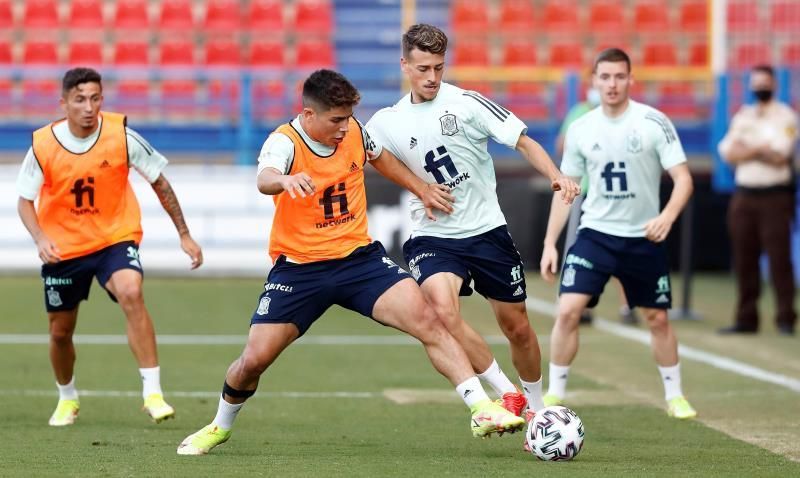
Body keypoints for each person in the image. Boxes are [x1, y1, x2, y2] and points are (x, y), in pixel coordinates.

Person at [176, 69, 524, 455]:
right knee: (253, 360)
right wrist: (285, 181)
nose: (345, 128)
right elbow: (265, 176)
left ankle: (480, 407)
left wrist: (422, 188)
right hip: (300, 269)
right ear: (309, 115)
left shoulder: (355, 131)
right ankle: (219, 425)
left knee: (430, 319)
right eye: (336, 120)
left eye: (347, 118)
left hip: (359, 261)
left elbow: (381, 158)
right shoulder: (286, 141)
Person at [366, 23, 580, 430]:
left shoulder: (468, 103)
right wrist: (420, 188)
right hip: (433, 235)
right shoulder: (387, 121)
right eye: (424, 68)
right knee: (442, 312)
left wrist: (556, 174)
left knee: (517, 326)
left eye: (439, 68)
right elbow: (373, 155)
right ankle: (506, 393)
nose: (432, 77)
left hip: (486, 231)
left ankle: (535, 407)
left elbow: (522, 141)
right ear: (405, 66)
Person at [15, 67, 203, 426]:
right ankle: (67, 398)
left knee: (131, 290)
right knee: (60, 331)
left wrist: (184, 233)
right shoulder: (43, 144)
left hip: (114, 238)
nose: (89, 107)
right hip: (64, 248)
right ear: (64, 102)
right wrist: (40, 237)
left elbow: (159, 182)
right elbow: (24, 201)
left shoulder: (122, 136)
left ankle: (153, 393)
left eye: (96, 98)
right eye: (80, 99)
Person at [539, 48, 697, 419]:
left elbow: (684, 179)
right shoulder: (581, 129)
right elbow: (567, 189)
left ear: (630, 79)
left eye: (619, 77)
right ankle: (554, 393)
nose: (612, 84)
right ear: (594, 81)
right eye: (605, 77)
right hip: (596, 233)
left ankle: (675, 396)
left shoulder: (653, 122)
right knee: (568, 311)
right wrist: (550, 242)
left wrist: (668, 217)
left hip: (644, 236)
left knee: (657, 319)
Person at [718, 64, 798, 336]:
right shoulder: (744, 115)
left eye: (765, 82)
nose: (760, 87)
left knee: (779, 260)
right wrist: (759, 148)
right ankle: (746, 318)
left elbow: (780, 155)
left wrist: (746, 149)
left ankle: (785, 318)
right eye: (756, 82)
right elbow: (728, 152)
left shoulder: (785, 116)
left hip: (774, 196)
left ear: (774, 85)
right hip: (744, 195)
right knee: (744, 259)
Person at [557, 88, 639, 326]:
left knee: (605, 248)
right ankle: (586, 305)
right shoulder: (585, 114)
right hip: (593, 192)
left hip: (604, 194)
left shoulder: (622, 117)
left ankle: (623, 305)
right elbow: (563, 145)